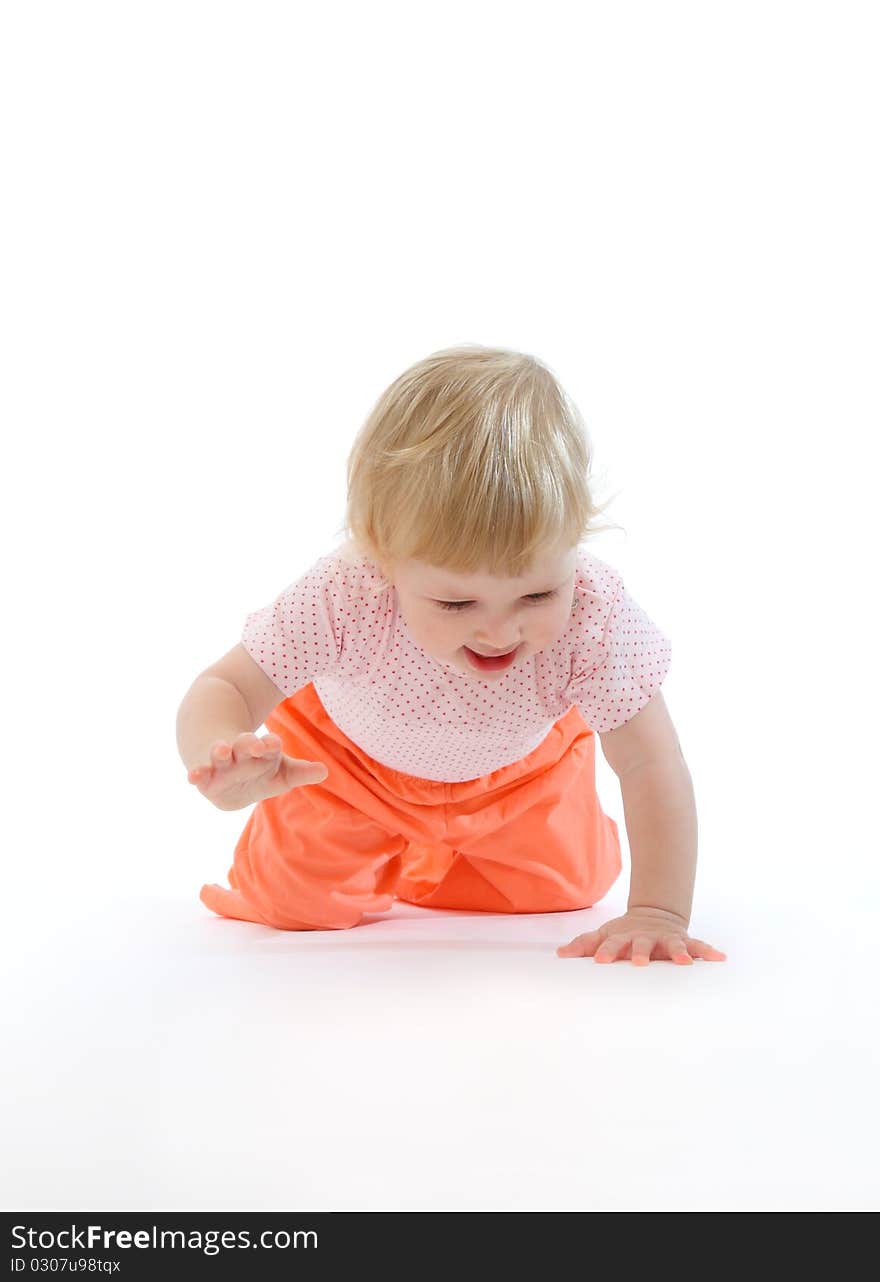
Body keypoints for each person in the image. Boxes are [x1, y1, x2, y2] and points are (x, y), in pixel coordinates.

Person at [176, 343, 726, 966]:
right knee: (292, 907)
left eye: (538, 593)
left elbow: (653, 766)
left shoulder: (593, 614)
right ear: (383, 559)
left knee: (569, 889)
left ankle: (435, 856)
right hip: (345, 772)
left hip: (516, 773)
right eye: (456, 604)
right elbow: (227, 685)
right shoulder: (346, 592)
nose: (500, 632)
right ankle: (389, 845)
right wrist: (218, 756)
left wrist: (658, 911)